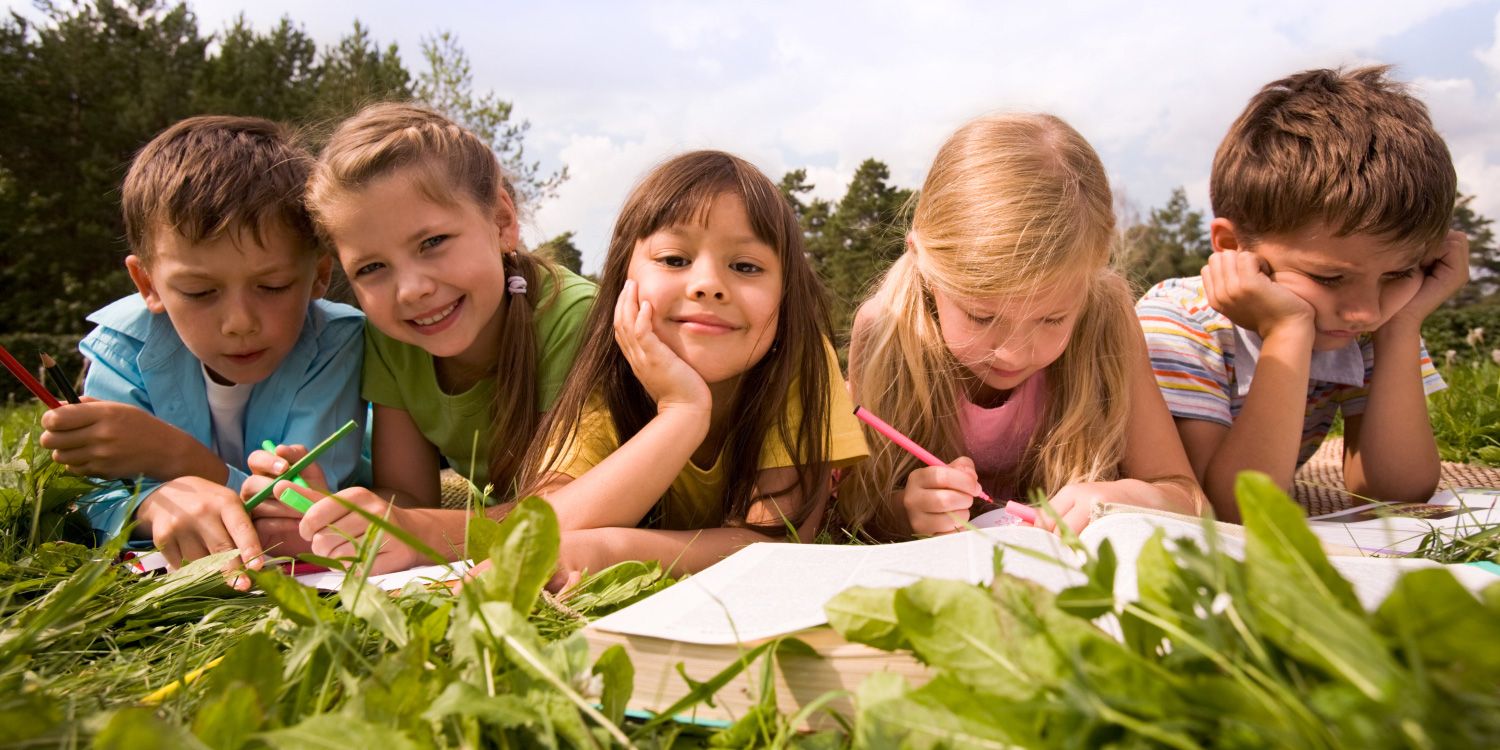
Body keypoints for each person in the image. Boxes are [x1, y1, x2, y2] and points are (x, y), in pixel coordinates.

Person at [244, 103, 595, 572]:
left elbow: (568, 512)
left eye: (432, 243)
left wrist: (416, 533)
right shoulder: (392, 338)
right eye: (371, 269)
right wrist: (329, 514)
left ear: (502, 222)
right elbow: (408, 496)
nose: (411, 291)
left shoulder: (574, 318)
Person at [515, 150, 869, 590]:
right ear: (624, 278)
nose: (707, 285)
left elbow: (778, 540)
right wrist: (682, 412)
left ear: (786, 295)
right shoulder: (610, 375)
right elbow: (541, 532)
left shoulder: (800, 363)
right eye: (674, 260)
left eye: (745, 266)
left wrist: (611, 551)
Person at [840, 113, 1202, 539]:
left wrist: (1132, 496)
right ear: (923, 263)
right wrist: (906, 511)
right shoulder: (886, 329)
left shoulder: (1107, 319)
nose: (1012, 353)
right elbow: (856, 504)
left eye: (1052, 319)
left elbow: (1189, 498)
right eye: (982, 316)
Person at [39, 116, 366, 580]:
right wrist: (151, 506)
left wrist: (178, 459)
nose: (239, 323)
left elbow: (299, 508)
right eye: (198, 292)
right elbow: (86, 497)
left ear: (318, 275)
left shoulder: (338, 342)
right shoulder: (122, 345)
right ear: (147, 284)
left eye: (272, 286)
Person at [1136, 66, 1465, 521]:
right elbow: (1227, 510)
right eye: (1328, 278)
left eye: (1399, 273)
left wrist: (1402, 327)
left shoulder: (1374, 320)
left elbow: (1395, 491)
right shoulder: (1178, 323)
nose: (1364, 311)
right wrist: (1288, 332)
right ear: (1233, 247)